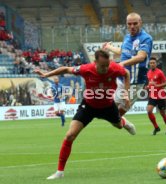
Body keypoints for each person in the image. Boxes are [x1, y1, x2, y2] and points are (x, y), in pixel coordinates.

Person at [34, 50, 135, 180]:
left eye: (107, 65)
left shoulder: (114, 68)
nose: (105, 69)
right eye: (102, 65)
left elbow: (126, 74)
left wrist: (125, 93)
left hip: (108, 107)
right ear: (95, 62)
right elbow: (65, 69)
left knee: (119, 126)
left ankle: (124, 122)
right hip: (88, 107)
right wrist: (46, 74)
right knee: (70, 135)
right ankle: (59, 172)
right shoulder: (86, 69)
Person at [103, 12, 153, 116]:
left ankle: (125, 124)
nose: (132, 26)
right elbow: (122, 51)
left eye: (135, 23)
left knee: (120, 113)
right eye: (129, 24)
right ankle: (122, 123)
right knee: (111, 109)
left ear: (140, 23)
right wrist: (109, 47)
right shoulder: (126, 37)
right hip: (122, 79)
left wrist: (122, 64)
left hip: (135, 83)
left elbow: (141, 57)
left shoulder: (145, 38)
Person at [146, 57, 166, 135]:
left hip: (160, 95)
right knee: (149, 110)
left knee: (162, 113)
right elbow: (150, 83)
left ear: (156, 63)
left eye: (153, 63)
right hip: (152, 95)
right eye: (151, 63)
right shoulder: (148, 72)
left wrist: (157, 85)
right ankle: (156, 127)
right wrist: (147, 87)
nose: (152, 64)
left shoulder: (160, 72)